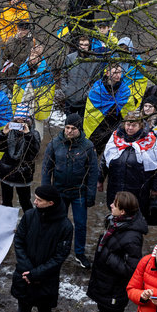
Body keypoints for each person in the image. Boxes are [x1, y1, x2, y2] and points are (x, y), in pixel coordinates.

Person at [6, 184, 74, 312]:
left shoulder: (65, 226)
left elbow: (60, 256)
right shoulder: (29, 216)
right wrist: (27, 269)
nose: (34, 202)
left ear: (50, 203)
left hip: (46, 281)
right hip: (25, 277)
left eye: (39, 200)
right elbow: (19, 242)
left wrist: (36, 274)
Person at [85, 191, 147, 312]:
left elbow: (131, 269)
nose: (111, 205)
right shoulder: (115, 223)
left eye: (115, 204)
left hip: (115, 286)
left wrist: (107, 256)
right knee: (103, 310)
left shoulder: (133, 236)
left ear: (123, 212)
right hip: (104, 281)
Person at [42, 113, 99, 269]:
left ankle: (79, 253)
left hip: (79, 192)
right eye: (67, 127)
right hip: (59, 191)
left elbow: (93, 172)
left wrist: (91, 193)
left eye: (73, 128)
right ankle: (55, 250)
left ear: (79, 129)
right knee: (57, 222)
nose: (68, 131)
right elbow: (46, 168)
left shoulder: (87, 146)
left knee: (80, 224)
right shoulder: (55, 143)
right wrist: (45, 192)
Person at [98, 111, 157, 222]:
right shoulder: (115, 137)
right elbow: (105, 160)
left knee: (133, 220)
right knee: (116, 217)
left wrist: (156, 189)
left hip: (138, 192)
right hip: (115, 188)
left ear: (140, 126)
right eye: (128, 124)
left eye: (134, 125)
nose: (129, 128)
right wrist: (100, 179)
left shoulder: (150, 141)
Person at [0, 105, 41, 213]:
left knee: (25, 202)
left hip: (23, 174)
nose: (20, 122)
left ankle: (29, 223)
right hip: (7, 173)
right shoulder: (9, 131)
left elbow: (34, 153)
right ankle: (7, 224)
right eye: (17, 120)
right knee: (6, 202)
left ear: (28, 121)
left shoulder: (34, 134)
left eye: (23, 120)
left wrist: (28, 135)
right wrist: (3, 134)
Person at [61, 35, 104, 117]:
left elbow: (96, 81)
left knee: (81, 125)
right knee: (69, 123)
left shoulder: (95, 61)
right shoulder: (70, 58)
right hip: (69, 98)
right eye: (81, 44)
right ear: (78, 45)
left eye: (86, 45)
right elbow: (63, 74)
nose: (83, 47)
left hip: (84, 101)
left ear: (89, 46)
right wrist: (66, 90)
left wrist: (87, 94)